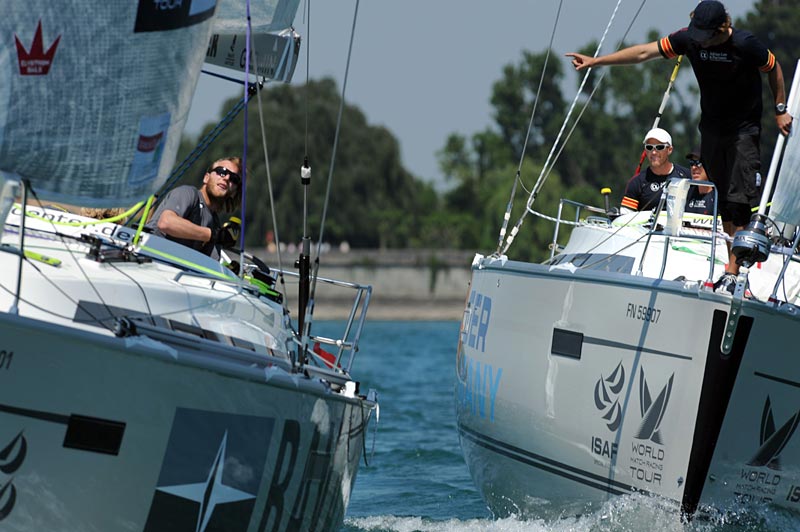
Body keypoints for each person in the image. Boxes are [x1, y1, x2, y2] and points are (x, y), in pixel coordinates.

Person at [566, 0, 792, 293]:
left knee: (739, 201)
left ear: (721, 28)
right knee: (722, 200)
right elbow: (645, 52)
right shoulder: (689, 39)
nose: (699, 40)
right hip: (711, 126)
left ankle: (738, 273)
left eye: (704, 34)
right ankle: (732, 271)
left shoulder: (745, 43)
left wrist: (780, 108)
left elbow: (773, 68)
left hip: (743, 130)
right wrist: (597, 62)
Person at [146, 157, 242, 258]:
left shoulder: (214, 223)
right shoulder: (188, 193)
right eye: (221, 172)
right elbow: (166, 223)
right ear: (206, 177)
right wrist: (213, 235)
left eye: (233, 178)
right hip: (149, 260)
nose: (226, 178)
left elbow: (210, 262)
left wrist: (231, 270)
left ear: (234, 191)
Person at [621, 128, 690, 213]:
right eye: (649, 147)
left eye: (659, 147)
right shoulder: (637, 182)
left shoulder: (687, 176)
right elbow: (624, 218)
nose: (653, 152)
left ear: (670, 150)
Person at [684, 147, 716, 215]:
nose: (693, 167)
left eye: (698, 163)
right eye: (691, 163)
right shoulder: (686, 193)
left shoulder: (719, 196)